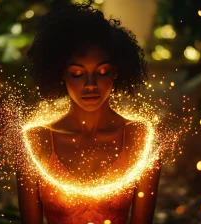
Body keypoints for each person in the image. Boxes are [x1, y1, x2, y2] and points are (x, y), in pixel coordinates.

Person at [16, 2, 161, 223]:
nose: (90, 84)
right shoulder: (35, 141)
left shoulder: (140, 138)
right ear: (61, 74)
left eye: (102, 72)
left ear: (116, 72)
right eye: (77, 73)